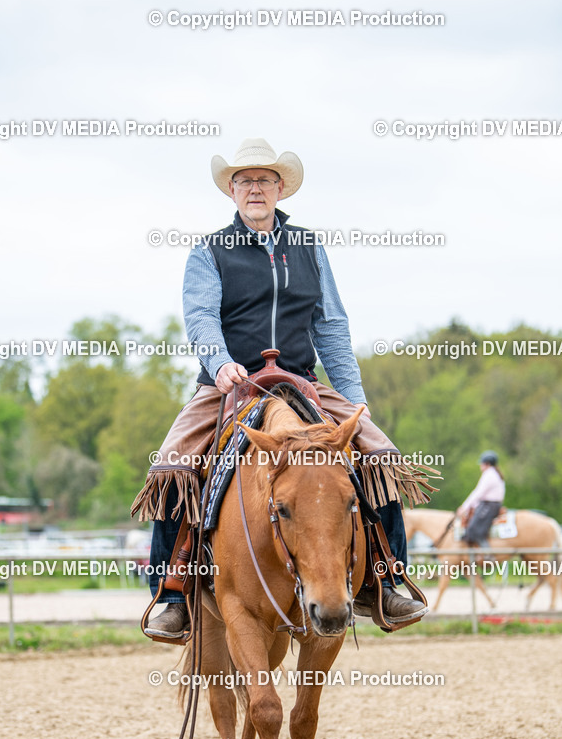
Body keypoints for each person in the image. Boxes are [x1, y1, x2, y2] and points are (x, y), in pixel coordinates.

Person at [132, 138, 436, 638]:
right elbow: (202, 317)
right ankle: (173, 594)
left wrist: (354, 395)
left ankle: (385, 582)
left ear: (280, 188)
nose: (255, 188)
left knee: (381, 457)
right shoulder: (209, 251)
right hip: (228, 383)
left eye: (264, 180)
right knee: (173, 467)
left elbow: (330, 324)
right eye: (245, 180)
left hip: (301, 379)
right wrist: (222, 362)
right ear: (232, 190)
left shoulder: (309, 247)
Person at [457, 451, 505, 546]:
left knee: (475, 530)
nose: (480, 466)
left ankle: (487, 555)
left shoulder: (489, 475)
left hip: (488, 506)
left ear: (487, 463)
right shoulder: (494, 474)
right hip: (488, 505)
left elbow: (478, 493)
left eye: (481, 463)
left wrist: (464, 507)